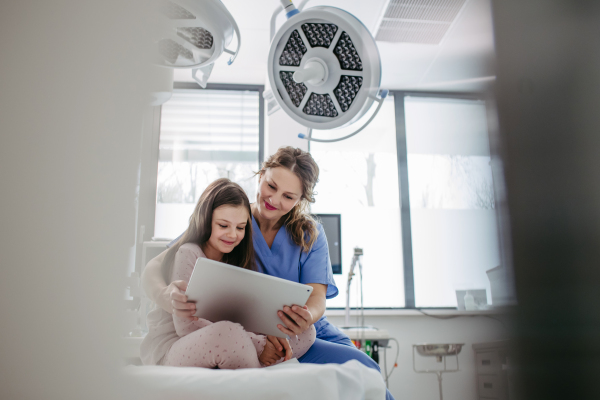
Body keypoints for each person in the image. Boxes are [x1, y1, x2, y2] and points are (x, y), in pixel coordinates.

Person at [143, 147, 395, 399]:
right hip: (252, 332)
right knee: (357, 375)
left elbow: (317, 297)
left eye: (288, 196)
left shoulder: (310, 233)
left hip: (297, 327)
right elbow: (158, 265)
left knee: (367, 370)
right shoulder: (233, 219)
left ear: (300, 199)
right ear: (261, 175)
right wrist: (166, 295)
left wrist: (307, 316)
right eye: (271, 186)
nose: (274, 200)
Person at [140, 178, 316, 369]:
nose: (233, 235)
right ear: (206, 222)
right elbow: (186, 327)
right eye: (223, 226)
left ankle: (252, 359)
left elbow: (242, 318)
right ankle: (256, 370)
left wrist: (269, 336)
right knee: (228, 333)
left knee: (305, 332)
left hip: (227, 339)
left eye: (240, 228)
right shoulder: (188, 252)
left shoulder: (236, 259)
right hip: (174, 347)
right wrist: (260, 344)